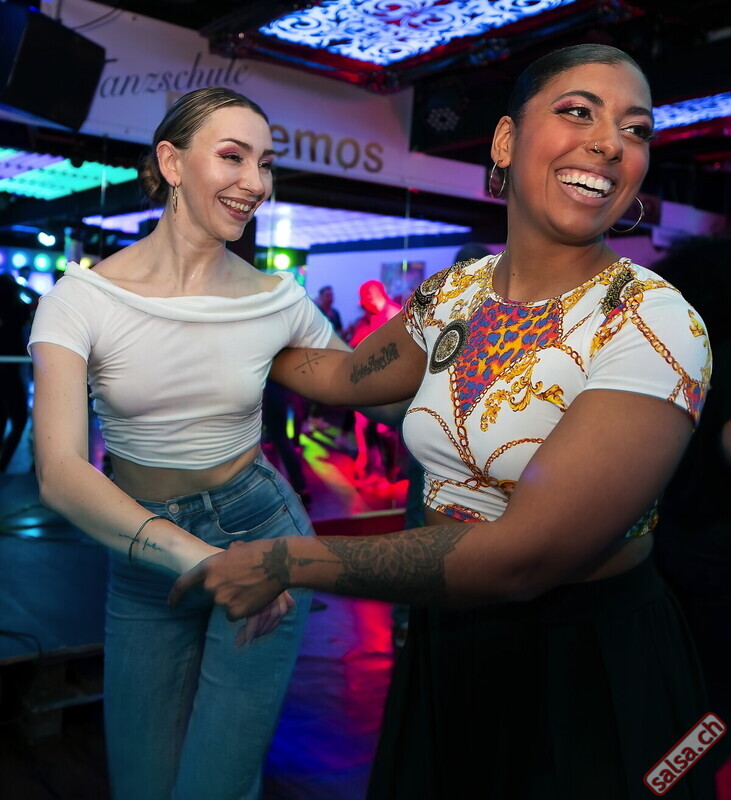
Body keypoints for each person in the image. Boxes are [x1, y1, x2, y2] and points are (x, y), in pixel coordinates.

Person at [171, 46, 714, 799]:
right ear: (505, 141)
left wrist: (285, 562)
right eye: (577, 112)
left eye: (636, 129)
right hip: (449, 634)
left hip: (585, 664)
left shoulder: (654, 323)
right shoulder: (454, 294)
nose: (609, 143)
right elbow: (345, 377)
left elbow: (525, 557)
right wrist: (211, 321)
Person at [28, 87, 342, 800]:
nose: (255, 182)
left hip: (262, 534)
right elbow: (59, 472)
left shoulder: (277, 297)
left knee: (215, 786)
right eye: (232, 156)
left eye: (265, 163)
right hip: (144, 554)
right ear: (171, 162)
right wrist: (200, 558)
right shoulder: (82, 300)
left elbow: (367, 387)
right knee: (142, 784)